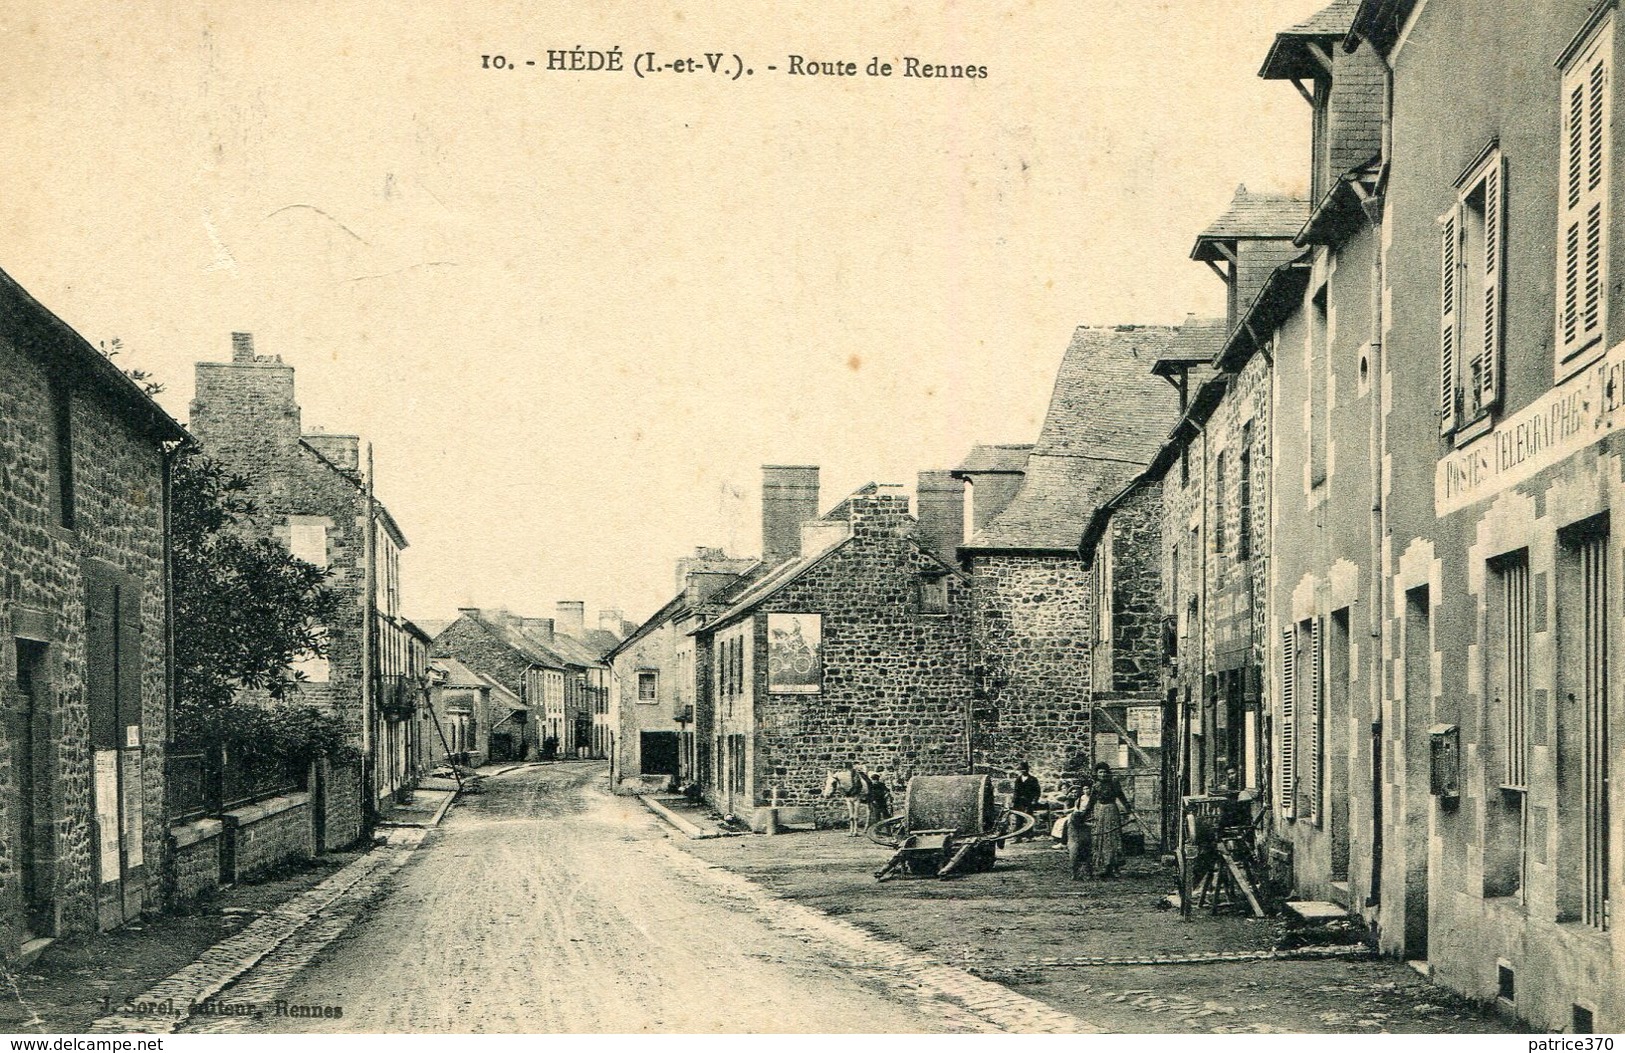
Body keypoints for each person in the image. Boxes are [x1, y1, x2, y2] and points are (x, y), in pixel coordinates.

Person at [1081, 762, 1131, 879]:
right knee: (1101, 839)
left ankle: (1115, 867)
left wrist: (1128, 809)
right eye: (1100, 772)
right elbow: (1091, 802)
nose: (1103, 774)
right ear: (1097, 774)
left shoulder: (1114, 784)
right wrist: (1085, 815)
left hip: (1111, 811)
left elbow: (1121, 796)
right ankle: (1104, 867)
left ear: (1108, 773)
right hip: (1100, 812)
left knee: (1113, 838)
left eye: (1104, 772)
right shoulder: (1096, 786)